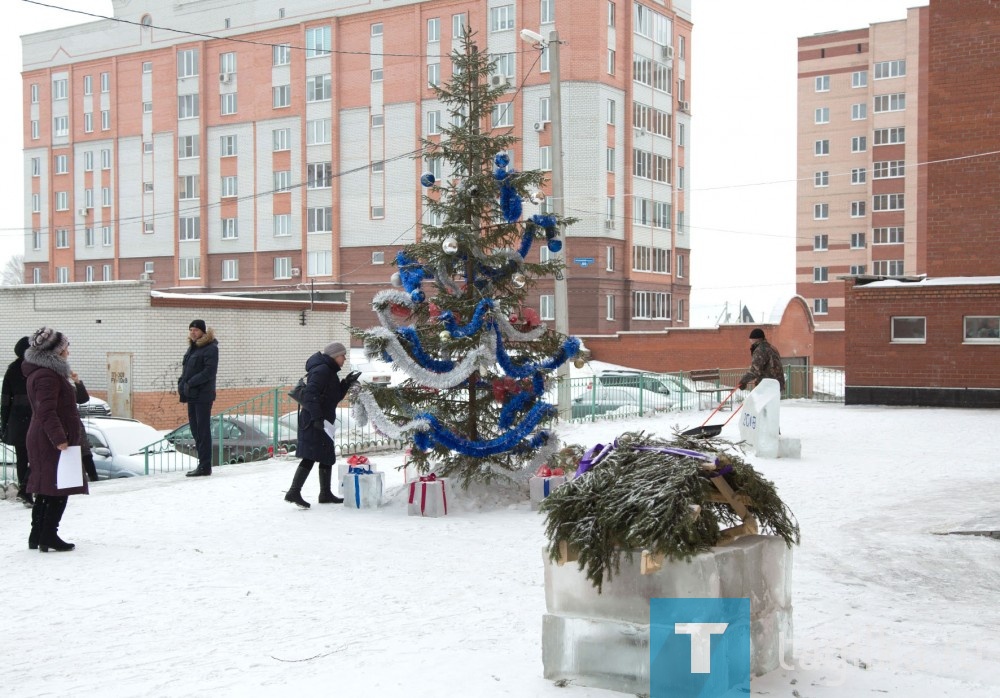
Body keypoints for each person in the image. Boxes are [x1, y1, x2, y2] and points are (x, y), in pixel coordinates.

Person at [23, 327, 89, 552]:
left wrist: (76, 383)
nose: (68, 351)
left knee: (46, 487)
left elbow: (76, 401)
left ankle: (37, 534)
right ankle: (49, 535)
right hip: (51, 439)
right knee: (59, 488)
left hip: (46, 436)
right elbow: (46, 411)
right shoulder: (46, 376)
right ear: (55, 351)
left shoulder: (48, 373)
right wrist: (59, 438)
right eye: (65, 347)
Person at [284, 342, 360, 509]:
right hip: (314, 420)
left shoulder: (330, 371)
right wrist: (317, 418)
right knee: (310, 455)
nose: (345, 358)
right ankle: (294, 491)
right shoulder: (322, 370)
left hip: (323, 421)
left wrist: (346, 383)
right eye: (342, 355)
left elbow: (334, 397)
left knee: (326, 455)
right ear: (334, 355)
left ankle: (325, 493)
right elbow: (311, 394)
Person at [177, 319, 219, 478]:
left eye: (195, 330)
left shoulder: (210, 348)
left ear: (203, 331)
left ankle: (205, 465)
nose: (193, 332)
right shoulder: (193, 348)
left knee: (202, 430)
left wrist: (190, 383)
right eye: (191, 330)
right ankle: (202, 463)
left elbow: (209, 372)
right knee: (195, 430)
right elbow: (187, 369)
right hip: (192, 394)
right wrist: (182, 383)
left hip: (203, 395)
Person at [1, 337, 34, 506]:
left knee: (22, 457)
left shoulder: (12, 369)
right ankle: (26, 490)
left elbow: (5, 401)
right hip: (34, 419)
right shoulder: (36, 368)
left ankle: (25, 490)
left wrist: (4, 424)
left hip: (16, 421)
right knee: (37, 456)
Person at [738, 328, 786, 394]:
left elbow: (755, 370)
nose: (750, 342)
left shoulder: (760, 350)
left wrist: (743, 381)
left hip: (767, 385)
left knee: (763, 404)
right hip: (776, 384)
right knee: (772, 404)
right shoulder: (771, 347)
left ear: (755, 339)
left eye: (751, 340)